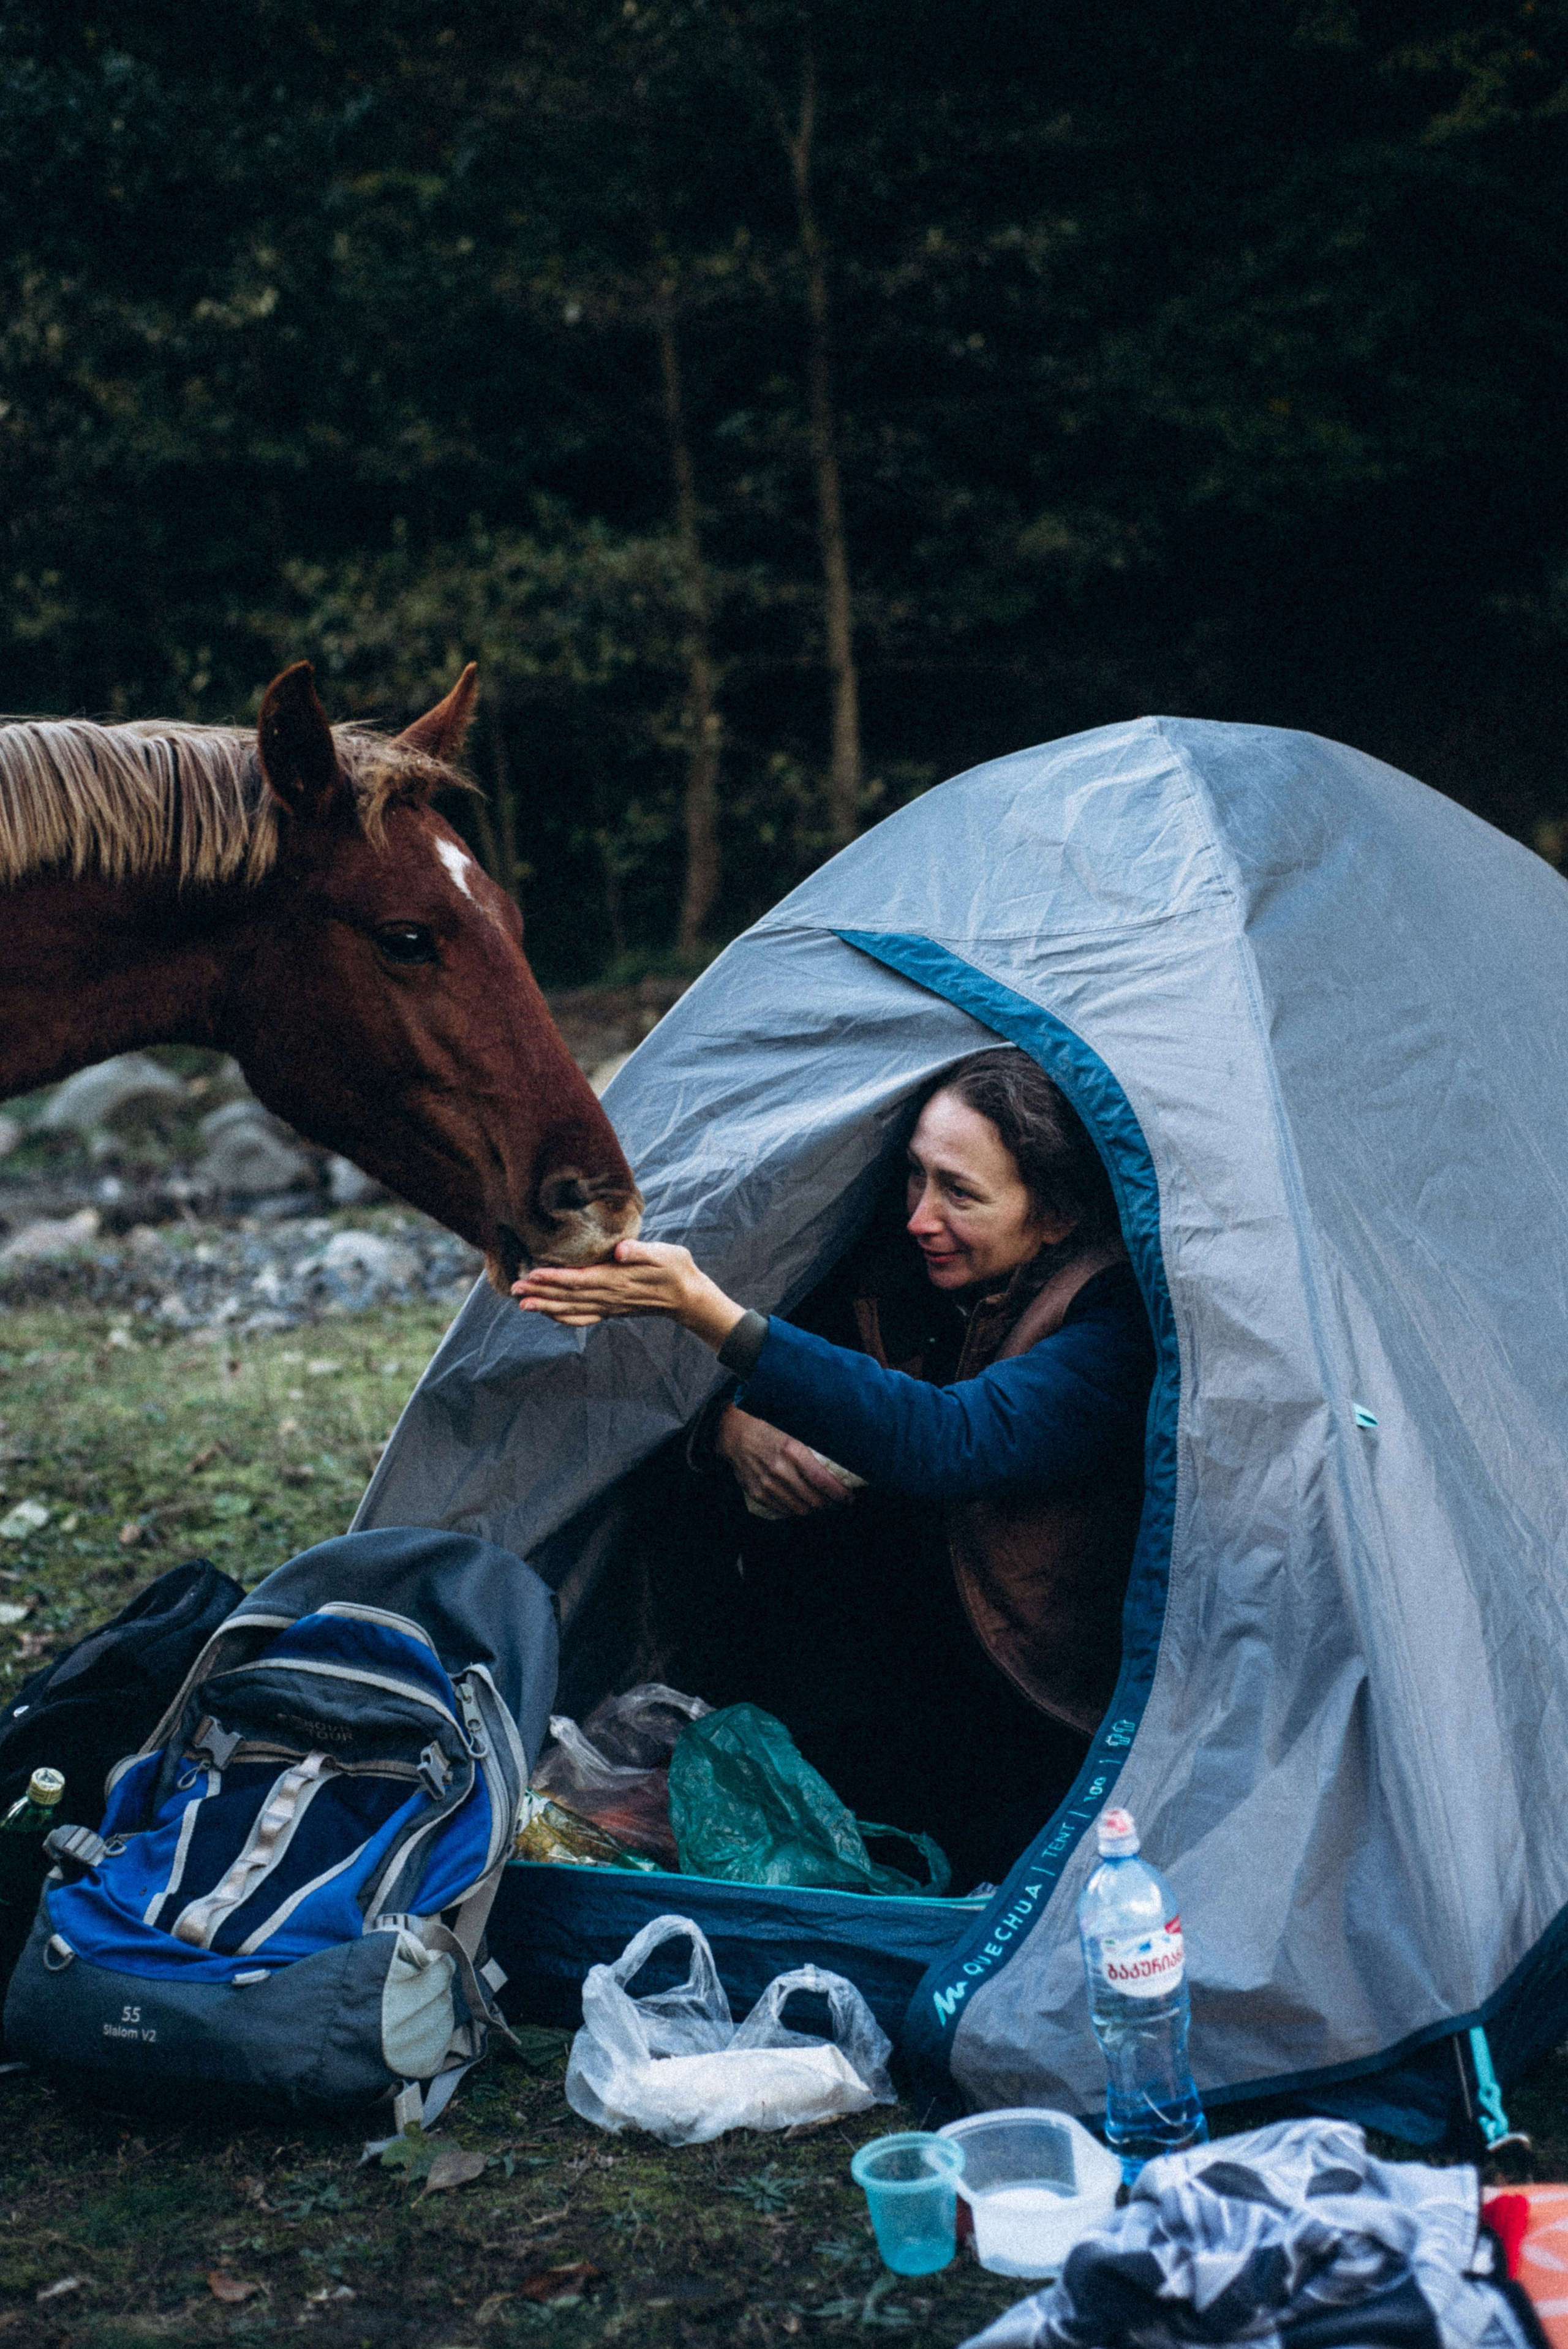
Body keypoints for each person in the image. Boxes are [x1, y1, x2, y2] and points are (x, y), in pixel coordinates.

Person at [514, 1048, 1155, 1887]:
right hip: (900, 1660)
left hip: (1028, 1707)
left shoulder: (1114, 1322)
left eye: (959, 1193)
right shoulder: (908, 1271)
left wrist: (703, 1309)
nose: (920, 1217)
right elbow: (812, 1387)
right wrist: (730, 1429)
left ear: (1058, 1216)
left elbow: (949, 1439)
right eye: (914, 1178)